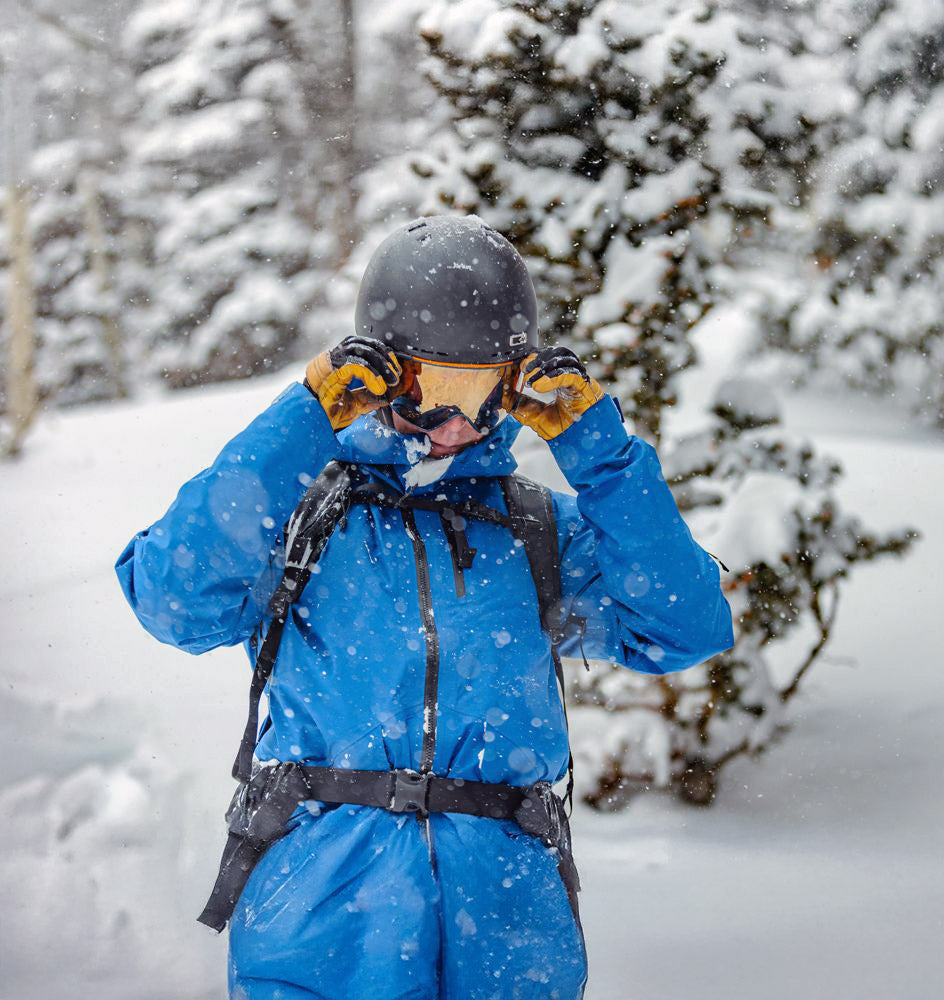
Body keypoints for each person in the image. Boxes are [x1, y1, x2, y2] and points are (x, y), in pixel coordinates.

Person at [115, 214, 735, 1000]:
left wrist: (603, 457)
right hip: (322, 926)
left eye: (478, 392)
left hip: (511, 932)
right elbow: (172, 601)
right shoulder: (304, 519)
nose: (453, 424)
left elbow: (686, 625)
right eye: (428, 390)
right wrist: (302, 420)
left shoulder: (536, 530)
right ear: (378, 380)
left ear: (513, 387)